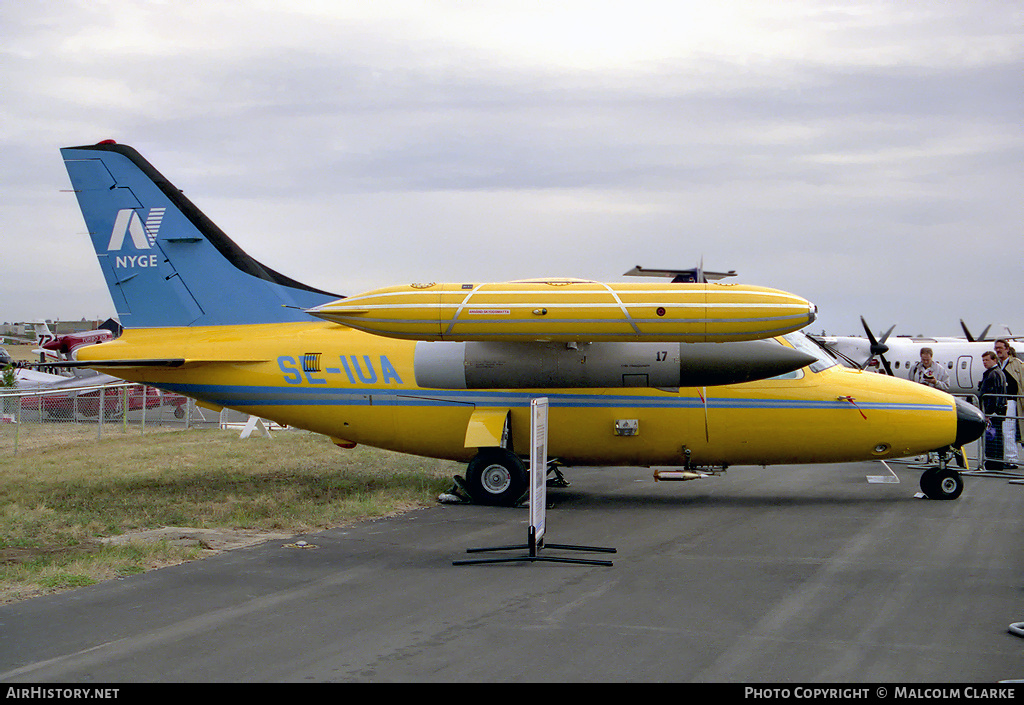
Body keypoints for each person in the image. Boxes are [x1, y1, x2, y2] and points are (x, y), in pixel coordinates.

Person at [994, 339, 1022, 467]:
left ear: (1007, 349)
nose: (998, 350)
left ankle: (1012, 459)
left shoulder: (1017, 364)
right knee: (1002, 431)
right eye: (996, 348)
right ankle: (1006, 457)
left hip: (1011, 401)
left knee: (1009, 430)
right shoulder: (997, 365)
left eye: (1000, 347)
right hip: (1000, 401)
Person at [979, 350, 1007, 469]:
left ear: (994, 360)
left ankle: (993, 462)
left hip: (993, 412)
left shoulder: (993, 374)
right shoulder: (997, 372)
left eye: (987, 360)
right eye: (983, 360)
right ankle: (995, 462)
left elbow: (993, 395)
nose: (985, 362)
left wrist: (988, 413)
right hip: (998, 411)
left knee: (992, 437)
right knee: (995, 437)